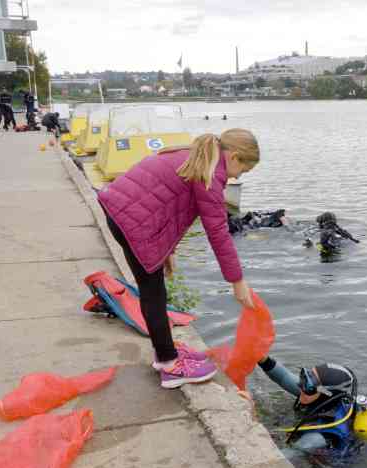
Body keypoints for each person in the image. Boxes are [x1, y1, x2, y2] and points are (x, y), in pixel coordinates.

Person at [97, 130, 259, 388]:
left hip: (123, 212)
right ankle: (169, 364)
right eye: (243, 170)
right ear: (235, 157)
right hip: (132, 220)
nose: (237, 176)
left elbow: (169, 205)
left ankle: (166, 352)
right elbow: (218, 233)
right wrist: (237, 282)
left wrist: (165, 250)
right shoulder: (211, 174)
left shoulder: (198, 157)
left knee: (154, 289)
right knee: (153, 292)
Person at [258, 358, 359, 453]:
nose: (300, 385)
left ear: (326, 394)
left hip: (323, 463)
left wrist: (252, 417)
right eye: (305, 377)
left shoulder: (317, 438)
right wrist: (262, 358)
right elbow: (283, 377)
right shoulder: (313, 394)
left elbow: (278, 458)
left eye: (308, 384)